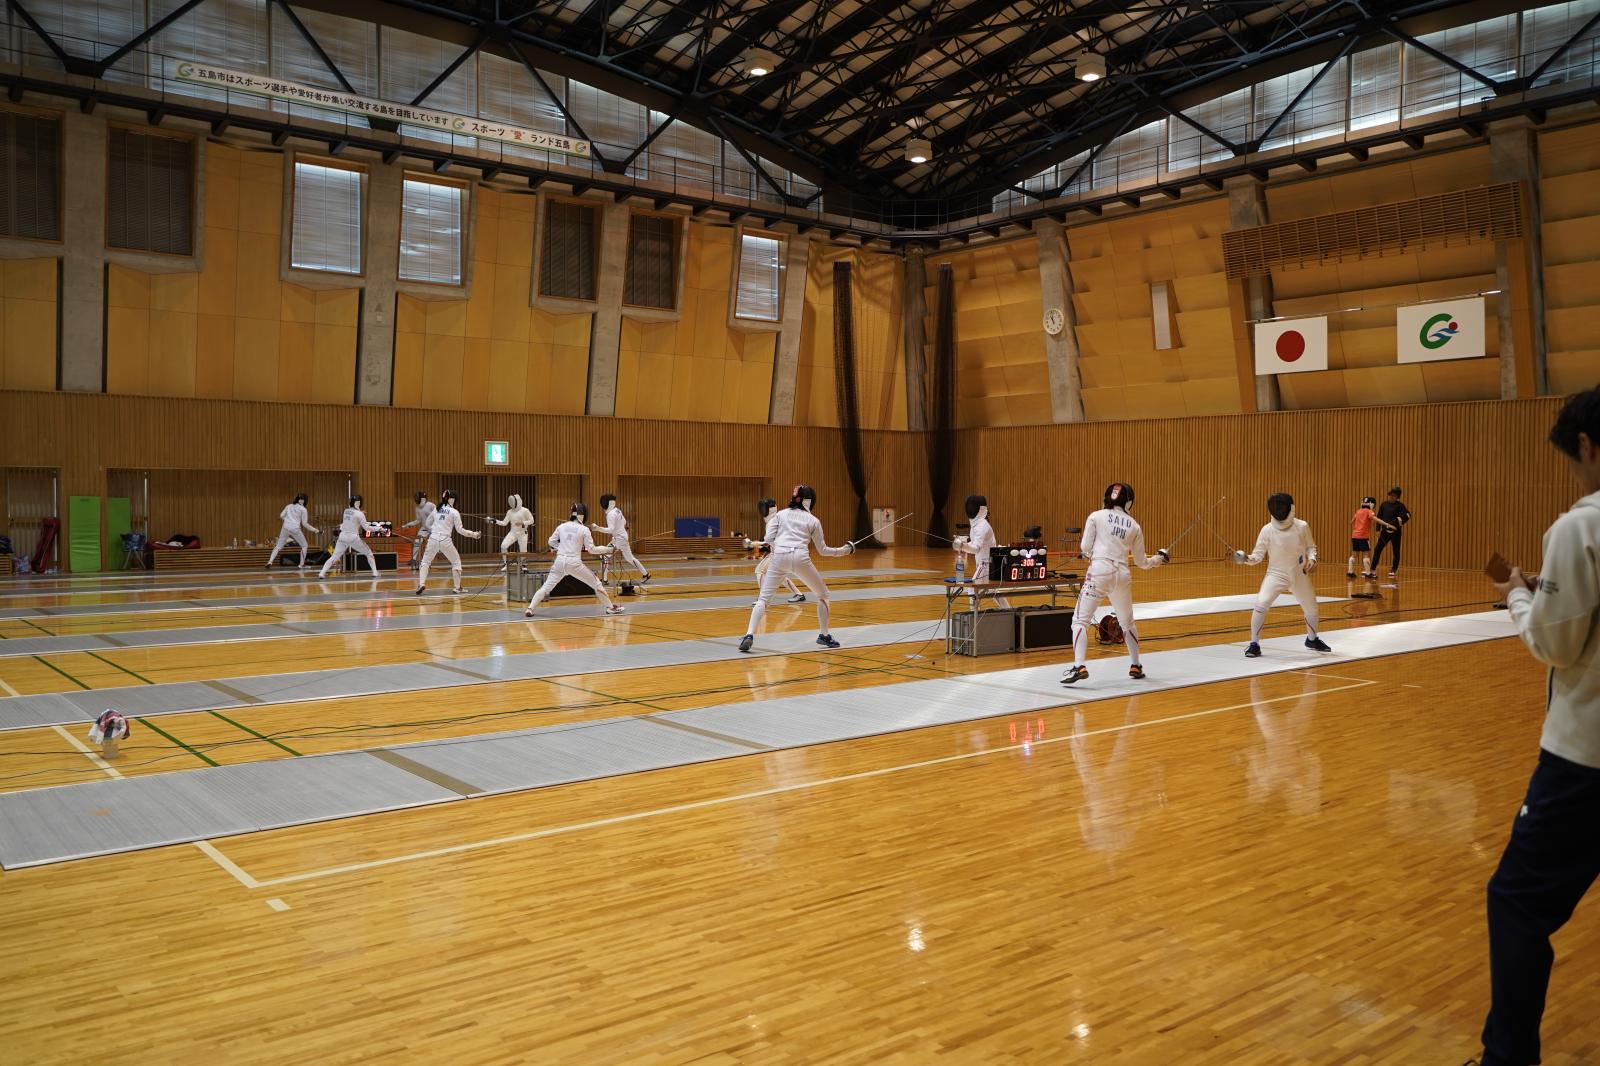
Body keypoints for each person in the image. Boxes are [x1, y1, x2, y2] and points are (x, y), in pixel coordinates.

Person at [1473, 388, 1600, 1066]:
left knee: (1517, 902)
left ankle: (1507, 1059)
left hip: (1586, 761)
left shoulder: (1582, 527)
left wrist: (1520, 593)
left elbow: (1552, 646)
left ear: (1586, 444)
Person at [1062, 482, 1168, 685]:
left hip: (1100, 571)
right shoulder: (1134, 525)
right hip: (1122, 575)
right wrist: (1158, 559)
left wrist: (1092, 555)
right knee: (1128, 623)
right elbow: (1142, 563)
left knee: (1080, 621)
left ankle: (1079, 666)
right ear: (1129, 501)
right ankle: (1136, 665)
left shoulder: (1096, 516)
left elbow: (1085, 547)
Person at [738, 485, 854, 653]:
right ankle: (824, 635)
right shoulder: (813, 520)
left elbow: (768, 539)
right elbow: (823, 550)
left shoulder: (780, 515)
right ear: (809, 501)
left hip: (779, 557)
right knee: (823, 596)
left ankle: (749, 635)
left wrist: (781, 544)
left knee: (763, 599)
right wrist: (845, 550)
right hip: (801, 558)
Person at [1234, 492, 1331, 657]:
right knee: (1261, 604)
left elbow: (1311, 546)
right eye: (1276, 507)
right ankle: (1254, 644)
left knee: (1311, 607)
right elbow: (1257, 556)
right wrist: (1246, 559)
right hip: (1276, 574)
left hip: (1299, 574)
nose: (1279, 509)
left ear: (1290, 508)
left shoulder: (1301, 526)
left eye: (1282, 506)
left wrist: (1312, 559)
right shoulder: (1267, 530)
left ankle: (1312, 639)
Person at [525, 502, 623, 616]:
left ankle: (530, 608)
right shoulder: (584, 530)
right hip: (574, 563)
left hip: (560, 561)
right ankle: (610, 608)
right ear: (583, 514)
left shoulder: (561, 526)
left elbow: (551, 541)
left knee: (547, 587)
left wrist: (560, 548)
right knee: (596, 583)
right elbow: (592, 550)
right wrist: (608, 549)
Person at [415, 489, 480, 595]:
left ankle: (421, 584)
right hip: (445, 540)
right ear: (452, 499)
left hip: (433, 539)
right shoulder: (454, 512)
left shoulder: (437, 509)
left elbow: (427, 523)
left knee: (425, 562)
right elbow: (460, 530)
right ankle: (457, 587)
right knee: (456, 562)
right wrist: (473, 534)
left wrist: (434, 531)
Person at [753, 497, 806, 604]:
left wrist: (758, 544)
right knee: (780, 576)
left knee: (759, 571)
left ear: (769, 509)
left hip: (778, 554)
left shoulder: (772, 522)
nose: (762, 510)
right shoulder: (777, 519)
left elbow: (771, 541)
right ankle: (799, 595)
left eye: (764, 508)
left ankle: (762, 598)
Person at [591, 493, 650, 584]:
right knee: (629, 558)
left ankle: (605, 580)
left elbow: (610, 529)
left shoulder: (610, 514)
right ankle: (645, 574)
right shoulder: (617, 510)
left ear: (608, 503)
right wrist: (620, 528)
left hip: (619, 539)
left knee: (605, 556)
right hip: (622, 537)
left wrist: (598, 528)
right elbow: (624, 522)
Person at [318, 495, 382, 578]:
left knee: (334, 556)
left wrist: (360, 512)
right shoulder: (360, 514)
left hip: (342, 537)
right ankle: (374, 572)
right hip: (353, 538)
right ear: (359, 503)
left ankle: (322, 573)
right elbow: (367, 528)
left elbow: (351, 517)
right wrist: (379, 528)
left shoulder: (346, 511)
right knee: (369, 553)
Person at [265, 493, 318, 569]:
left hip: (285, 528)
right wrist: (316, 530)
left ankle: (270, 562)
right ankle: (301, 564)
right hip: (295, 529)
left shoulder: (289, 506)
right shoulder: (303, 509)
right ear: (305, 501)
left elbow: (281, 515)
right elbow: (305, 524)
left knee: (278, 546)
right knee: (304, 545)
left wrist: (287, 519)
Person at [1372, 486, 1411, 578]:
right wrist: (1378, 529)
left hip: (1396, 533)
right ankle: (1372, 569)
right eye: (1390, 495)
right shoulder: (1384, 504)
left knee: (1396, 551)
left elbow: (1406, 516)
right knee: (1377, 549)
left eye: (1393, 495)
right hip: (1384, 532)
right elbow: (1379, 517)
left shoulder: (1401, 506)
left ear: (1398, 497)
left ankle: (1394, 569)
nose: (1391, 497)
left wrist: (1394, 524)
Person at [490, 494, 535, 571]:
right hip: (513, 532)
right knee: (503, 546)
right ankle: (506, 564)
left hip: (523, 533)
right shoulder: (510, 512)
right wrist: (495, 521)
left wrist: (522, 523)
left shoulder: (525, 510)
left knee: (523, 550)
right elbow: (504, 523)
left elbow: (532, 520)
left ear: (517, 501)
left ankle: (523, 565)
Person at [400, 491, 435, 572]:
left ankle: (427, 562)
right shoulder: (417, 508)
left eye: (417, 497)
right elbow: (418, 520)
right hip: (424, 528)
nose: (416, 499)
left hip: (434, 528)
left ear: (422, 498)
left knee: (433, 546)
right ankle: (414, 560)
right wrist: (408, 524)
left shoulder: (430, 505)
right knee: (416, 541)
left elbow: (438, 514)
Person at [1348, 496, 1378, 579]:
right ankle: (1368, 574)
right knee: (1366, 554)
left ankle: (1350, 572)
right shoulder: (1369, 511)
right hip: (1363, 537)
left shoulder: (1358, 511)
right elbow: (1373, 522)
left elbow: (1351, 522)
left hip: (1355, 536)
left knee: (1354, 555)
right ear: (1372, 504)